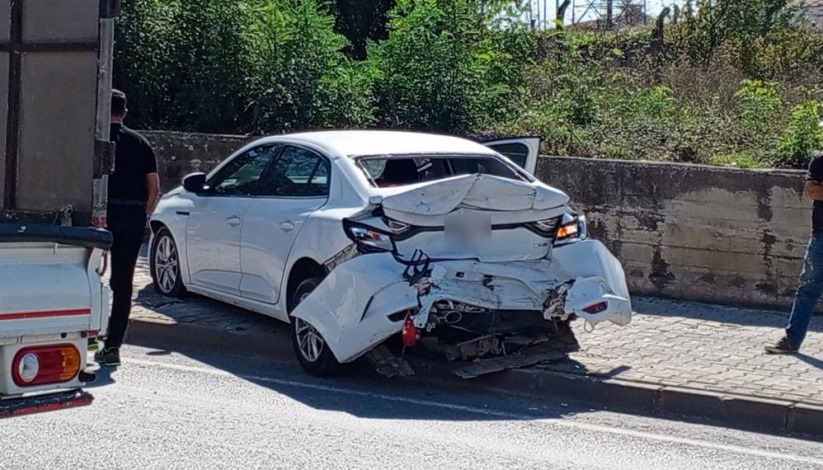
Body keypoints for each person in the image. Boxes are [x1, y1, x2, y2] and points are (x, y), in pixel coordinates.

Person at [94, 89, 160, 366]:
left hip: (100, 214)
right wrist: (141, 215)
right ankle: (112, 347)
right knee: (123, 283)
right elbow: (154, 189)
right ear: (125, 113)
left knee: (90, 276)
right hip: (131, 214)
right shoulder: (141, 143)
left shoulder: (94, 142)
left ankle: (88, 333)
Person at [765, 151, 823, 354]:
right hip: (821, 237)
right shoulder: (820, 159)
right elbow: (811, 191)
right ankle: (791, 341)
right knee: (807, 288)